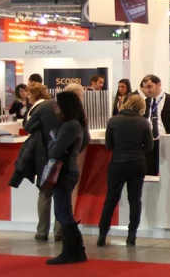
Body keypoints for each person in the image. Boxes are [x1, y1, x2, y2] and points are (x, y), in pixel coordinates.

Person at [24, 83, 89, 243]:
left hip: (45, 158)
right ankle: (60, 233)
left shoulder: (45, 106)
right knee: (63, 201)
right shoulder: (76, 116)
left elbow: (28, 126)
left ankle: (42, 231)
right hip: (65, 163)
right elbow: (85, 138)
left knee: (46, 194)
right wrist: (74, 152)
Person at [97, 95, 153, 247]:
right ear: (141, 107)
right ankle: (132, 235)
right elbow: (149, 147)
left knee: (111, 199)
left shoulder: (113, 121)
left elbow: (109, 145)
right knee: (135, 200)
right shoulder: (144, 122)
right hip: (137, 164)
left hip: (118, 164)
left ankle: (102, 234)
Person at [45, 91, 89, 265]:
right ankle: (75, 250)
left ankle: (71, 251)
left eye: (58, 104)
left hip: (64, 170)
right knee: (63, 211)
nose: (56, 107)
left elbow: (55, 150)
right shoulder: (76, 124)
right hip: (68, 169)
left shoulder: (70, 125)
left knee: (63, 212)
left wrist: (53, 144)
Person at [143, 74, 170, 176]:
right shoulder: (145, 102)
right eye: (145, 88)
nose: (147, 90)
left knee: (167, 174)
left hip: (165, 141)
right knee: (149, 174)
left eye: (149, 87)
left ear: (158, 85)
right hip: (149, 143)